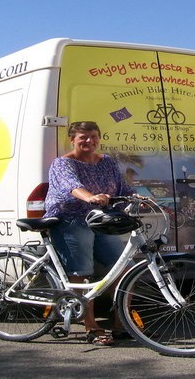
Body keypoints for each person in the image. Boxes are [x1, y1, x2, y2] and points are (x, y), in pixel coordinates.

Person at [44, 121, 133, 346]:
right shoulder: (62, 163)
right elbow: (70, 186)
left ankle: (122, 322)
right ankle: (91, 326)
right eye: (83, 137)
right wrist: (90, 197)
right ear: (72, 139)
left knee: (122, 269)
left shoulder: (107, 162)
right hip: (72, 219)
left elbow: (121, 187)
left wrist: (139, 197)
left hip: (100, 219)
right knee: (82, 273)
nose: (89, 141)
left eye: (93, 137)